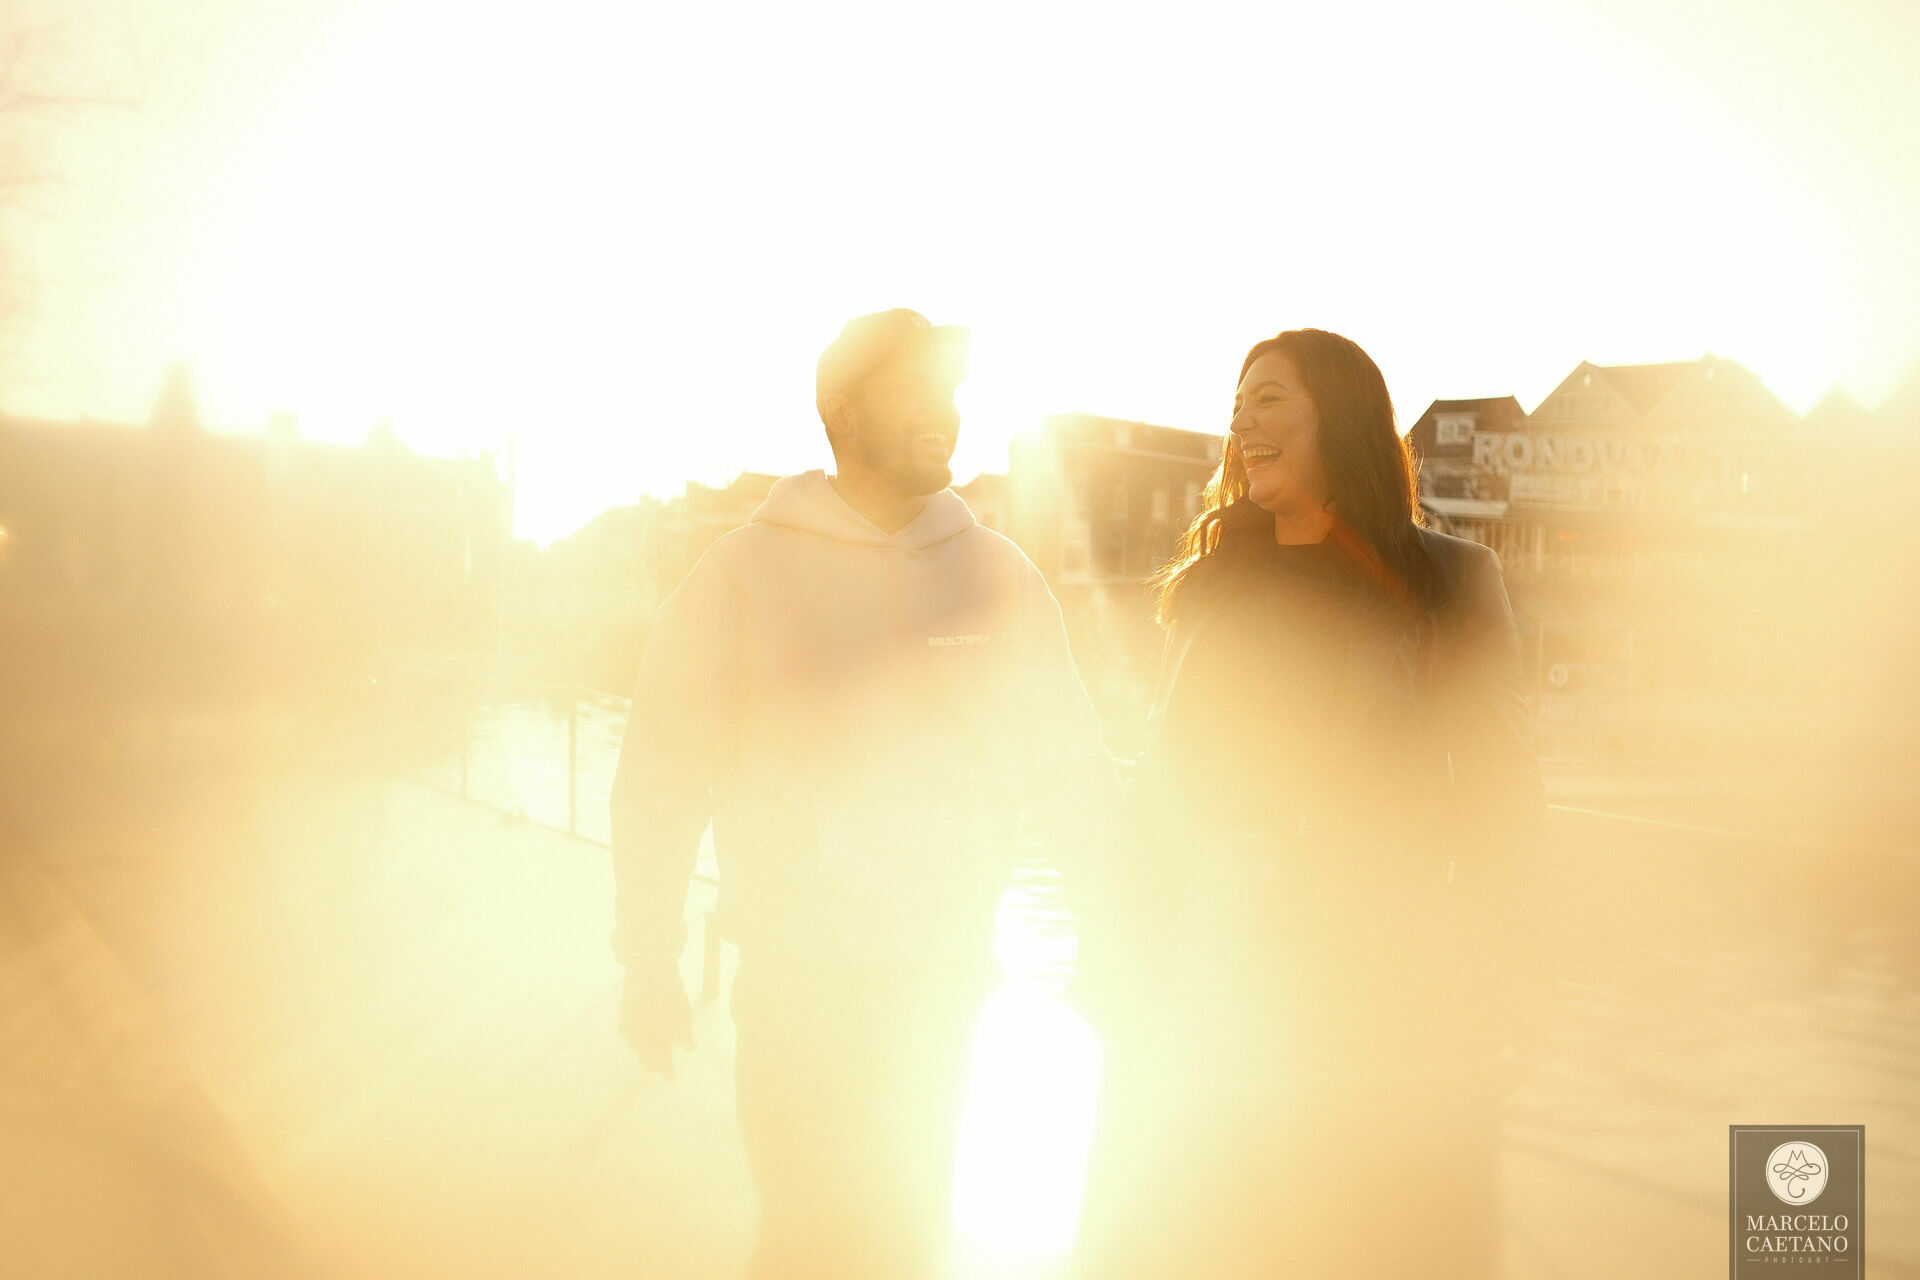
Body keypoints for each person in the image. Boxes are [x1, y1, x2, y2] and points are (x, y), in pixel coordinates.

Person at [609, 308, 1116, 1279]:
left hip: (946, 997)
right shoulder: (741, 575)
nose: (949, 410)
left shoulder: (1000, 579)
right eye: (919, 388)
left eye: (956, 390)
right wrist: (647, 958)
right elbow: (662, 777)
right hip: (801, 999)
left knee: (910, 1244)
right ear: (840, 410)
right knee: (810, 1242)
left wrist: (1112, 938)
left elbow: (1075, 774)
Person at [1073, 328, 1548, 1278]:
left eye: (1271, 398)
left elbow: (1505, 794)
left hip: (1383, 982)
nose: (1244, 420)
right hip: (1219, 979)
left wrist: (1502, 968)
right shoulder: (1212, 587)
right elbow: (1165, 789)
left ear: (1339, 416)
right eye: (1239, 403)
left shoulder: (1452, 580)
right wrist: (1115, 954)